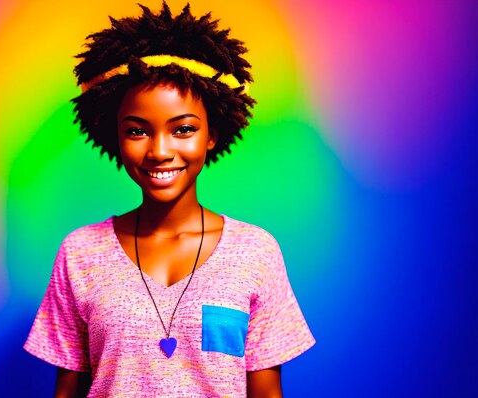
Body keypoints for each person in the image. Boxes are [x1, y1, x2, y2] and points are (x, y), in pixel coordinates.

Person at [24, 3, 315, 396]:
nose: (160, 150)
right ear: (116, 137)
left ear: (212, 134)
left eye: (183, 129)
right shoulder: (80, 254)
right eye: (138, 130)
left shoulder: (255, 253)